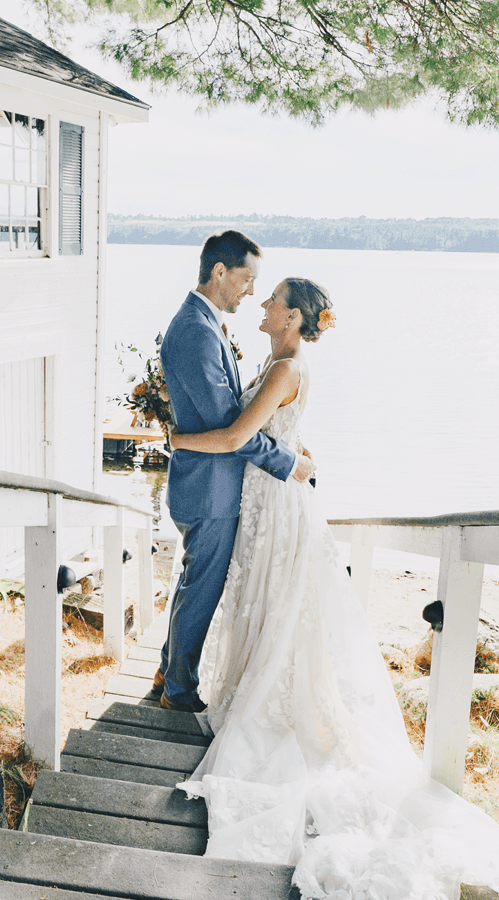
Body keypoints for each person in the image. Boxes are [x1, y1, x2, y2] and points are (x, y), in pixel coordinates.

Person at [168, 278, 499, 900]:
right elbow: (277, 433)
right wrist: (296, 450)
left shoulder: (287, 368)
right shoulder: (277, 360)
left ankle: (273, 698)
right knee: (263, 604)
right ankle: (248, 680)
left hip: (278, 509)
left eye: (272, 298)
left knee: (282, 607)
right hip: (265, 500)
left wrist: (175, 439)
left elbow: (236, 438)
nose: (261, 303)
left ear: (292, 317)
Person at [154, 230, 316, 713]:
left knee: (195, 583)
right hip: (211, 487)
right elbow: (231, 429)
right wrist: (290, 464)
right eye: (247, 280)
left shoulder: (204, 323)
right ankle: (178, 692)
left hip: (212, 483)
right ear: (220, 272)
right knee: (202, 589)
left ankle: (168, 669)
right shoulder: (195, 331)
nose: (251, 292)